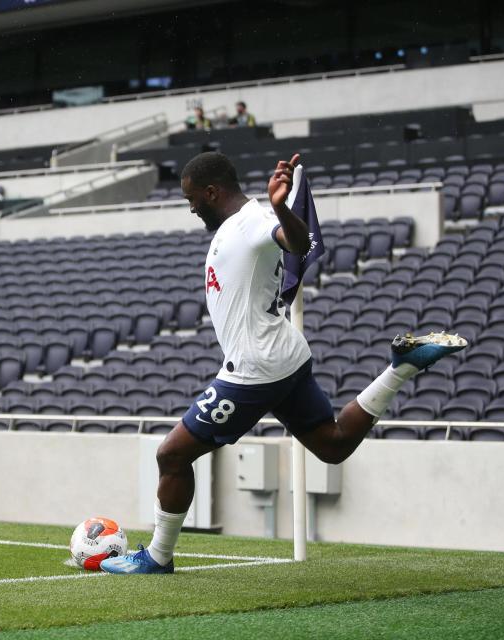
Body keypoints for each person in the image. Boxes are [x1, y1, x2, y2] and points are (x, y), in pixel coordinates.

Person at [100, 152, 467, 574]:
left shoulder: (253, 221)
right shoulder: (238, 224)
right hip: (285, 354)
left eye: (192, 198)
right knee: (332, 444)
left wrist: (280, 209)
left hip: (256, 368)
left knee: (172, 456)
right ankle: (401, 367)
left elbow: (297, 242)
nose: (190, 206)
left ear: (211, 192)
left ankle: (157, 558)